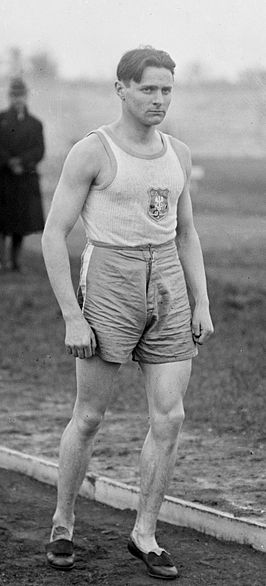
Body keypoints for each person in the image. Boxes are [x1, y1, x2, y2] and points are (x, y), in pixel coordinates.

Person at [42, 47, 214, 580]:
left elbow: (185, 233)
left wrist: (201, 301)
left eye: (166, 89)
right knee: (90, 416)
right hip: (109, 279)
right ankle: (63, 523)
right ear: (122, 89)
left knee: (172, 416)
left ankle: (145, 532)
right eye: (148, 89)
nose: (159, 99)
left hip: (165, 283)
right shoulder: (92, 152)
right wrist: (73, 313)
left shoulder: (178, 153)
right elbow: (53, 234)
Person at [0, 77, 45, 273]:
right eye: (14, 95)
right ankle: (2, 262)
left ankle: (15, 261)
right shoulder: (1, 119)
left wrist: (22, 162)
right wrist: (9, 162)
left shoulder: (35, 124)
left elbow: (39, 150)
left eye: (21, 95)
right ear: (9, 97)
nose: (18, 99)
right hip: (3, 178)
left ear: (26, 97)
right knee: (1, 222)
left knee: (20, 223)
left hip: (24, 179)